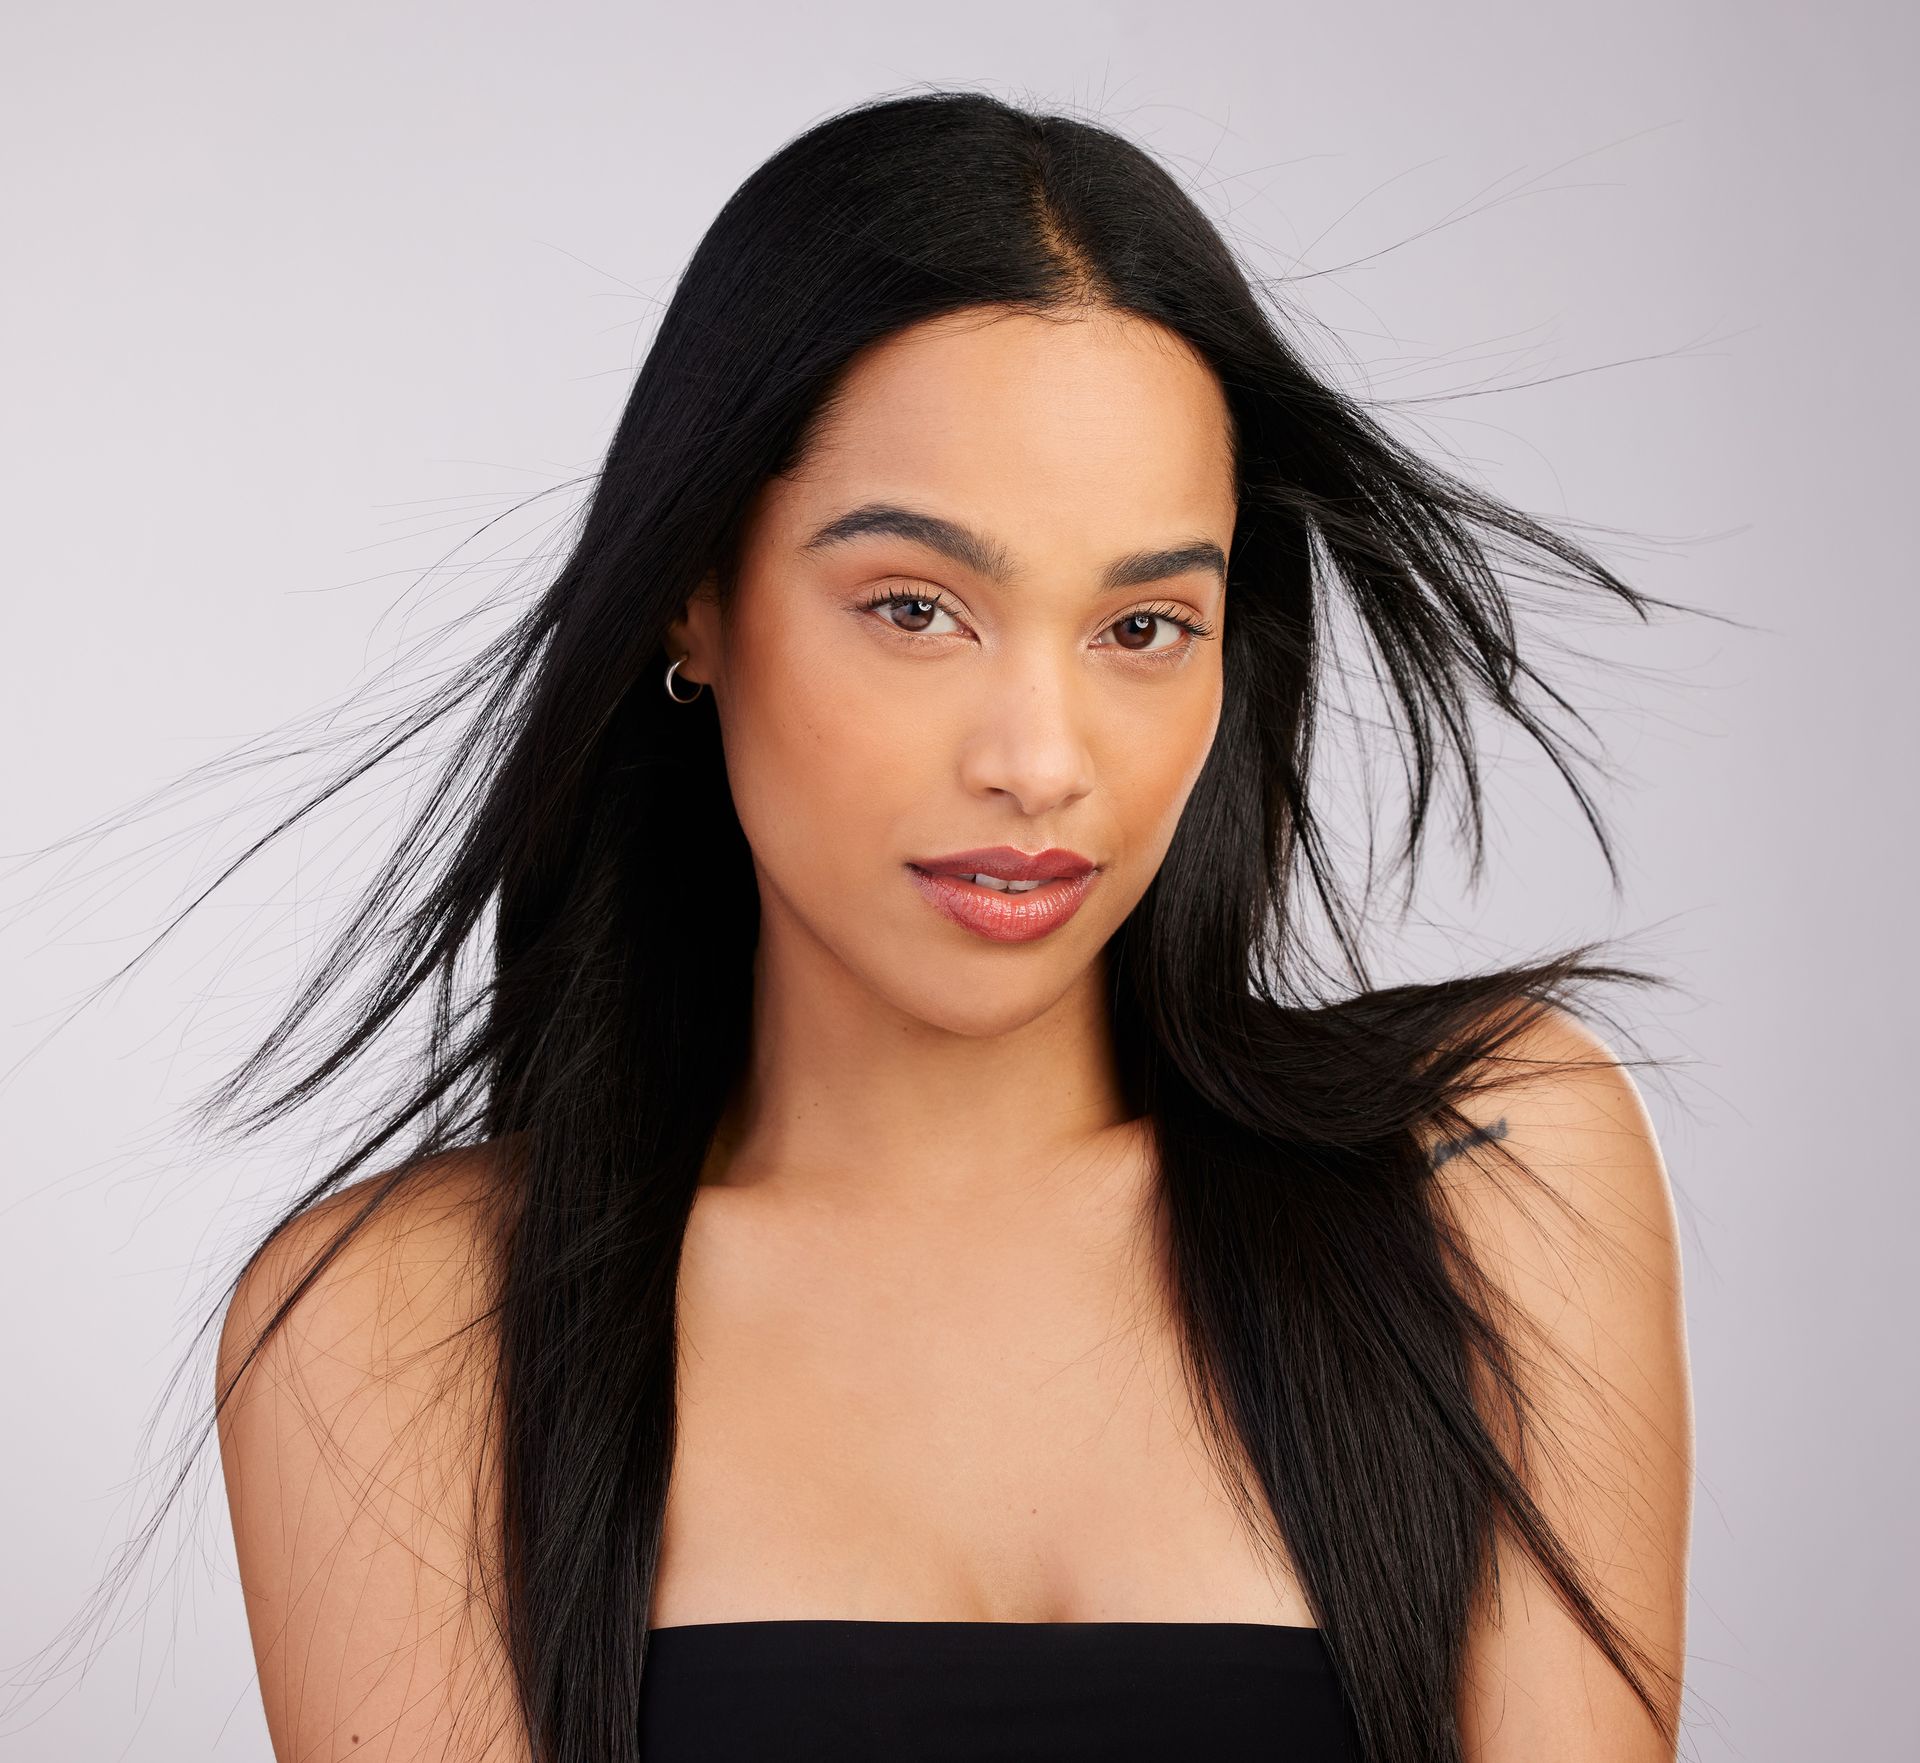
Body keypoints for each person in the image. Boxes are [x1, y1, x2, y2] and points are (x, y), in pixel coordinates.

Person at [210, 88, 1692, 1762]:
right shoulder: (407, 1326)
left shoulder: (1483, 1171)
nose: (1041, 763)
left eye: (1142, 625)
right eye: (918, 608)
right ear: (697, 591)